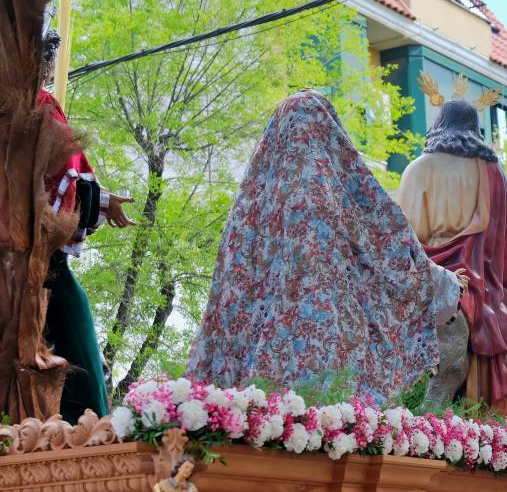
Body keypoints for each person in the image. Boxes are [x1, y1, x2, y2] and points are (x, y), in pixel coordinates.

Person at [186, 90, 465, 402]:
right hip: (331, 353)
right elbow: (384, 239)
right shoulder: (331, 184)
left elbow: (228, 290)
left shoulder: (248, 208)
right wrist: (442, 281)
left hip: (254, 376)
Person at [0, 28, 134, 423]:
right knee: (82, 398)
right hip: (41, 274)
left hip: (3, 283)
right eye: (46, 60)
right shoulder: (41, 105)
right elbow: (62, 181)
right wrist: (103, 200)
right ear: (41, 65)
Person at [396, 99, 507, 423]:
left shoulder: (417, 169)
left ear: (438, 127)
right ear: (474, 131)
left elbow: (405, 236)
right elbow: (504, 246)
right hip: (474, 279)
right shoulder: (494, 174)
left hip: (424, 274)